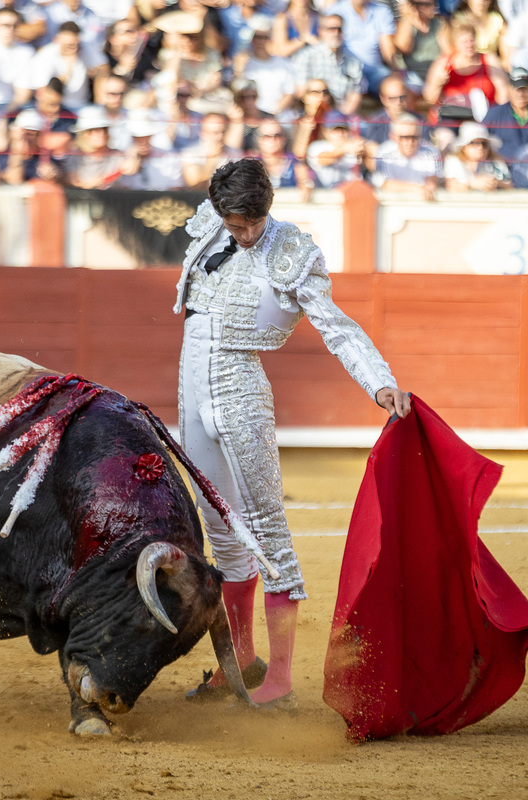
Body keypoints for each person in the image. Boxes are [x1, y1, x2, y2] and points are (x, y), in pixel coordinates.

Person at [176, 158, 409, 710]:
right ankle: (240, 660)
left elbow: (336, 327)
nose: (247, 233)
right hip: (191, 388)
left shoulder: (292, 251)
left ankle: (279, 678)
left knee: (265, 526)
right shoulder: (210, 224)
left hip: (240, 390)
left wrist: (380, 384)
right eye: (237, 224)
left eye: (254, 222)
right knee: (221, 529)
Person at [423, 19, 507, 119]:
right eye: (464, 42)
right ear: (456, 44)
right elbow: (429, 98)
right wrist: (438, 83)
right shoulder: (444, 63)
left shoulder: (489, 60)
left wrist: (498, 117)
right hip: (452, 116)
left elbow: (503, 93)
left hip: (483, 116)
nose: (469, 45)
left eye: (472, 40)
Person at [290, 14, 365, 115]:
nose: (336, 33)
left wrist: (339, 119)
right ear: (320, 31)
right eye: (331, 29)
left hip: (341, 119)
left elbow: (356, 94)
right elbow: (300, 93)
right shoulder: (306, 56)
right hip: (312, 115)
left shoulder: (353, 61)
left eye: (340, 29)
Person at [481, 66, 528, 162]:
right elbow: (480, 138)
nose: (520, 94)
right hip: (504, 168)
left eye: (524, 89)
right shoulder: (495, 114)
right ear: (509, 88)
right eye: (516, 88)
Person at [324, 0, 395, 95]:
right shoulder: (335, 10)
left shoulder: (382, 10)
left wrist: (395, 70)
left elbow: (387, 47)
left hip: (374, 71)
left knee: (394, 88)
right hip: (346, 70)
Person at [366, 113, 442, 198]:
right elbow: (385, 184)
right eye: (404, 137)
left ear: (420, 136)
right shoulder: (384, 152)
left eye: (414, 137)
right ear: (393, 137)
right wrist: (416, 188)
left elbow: (432, 183)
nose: (409, 142)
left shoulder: (432, 153)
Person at [115, 116, 183, 190]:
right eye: (138, 138)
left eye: (146, 137)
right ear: (133, 138)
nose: (143, 142)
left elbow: (175, 187)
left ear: (151, 137)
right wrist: (133, 158)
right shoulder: (124, 158)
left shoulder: (169, 157)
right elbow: (123, 185)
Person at [443, 120, 510, 191]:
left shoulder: (496, 160)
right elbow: (450, 186)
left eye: (484, 143)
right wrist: (472, 184)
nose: (480, 147)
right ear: (464, 147)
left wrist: (497, 183)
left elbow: (509, 185)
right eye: (474, 143)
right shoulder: (453, 160)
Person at [393, 0, 445, 90]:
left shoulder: (440, 24)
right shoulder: (404, 24)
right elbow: (404, 49)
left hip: (435, 73)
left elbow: (447, 52)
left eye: (427, 4)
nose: (422, 8)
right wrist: (408, 19)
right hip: (411, 75)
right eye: (417, 4)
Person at [181, 112, 241, 188]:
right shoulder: (190, 154)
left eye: (223, 131)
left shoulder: (235, 153)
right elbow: (195, 187)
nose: (220, 137)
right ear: (202, 133)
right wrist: (211, 159)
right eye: (215, 133)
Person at [305, 110, 364, 187]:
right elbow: (323, 159)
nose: (340, 133)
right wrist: (344, 149)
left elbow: (372, 160)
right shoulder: (317, 146)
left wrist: (364, 149)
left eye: (344, 129)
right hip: (325, 195)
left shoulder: (354, 145)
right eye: (335, 130)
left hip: (351, 193)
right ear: (325, 132)